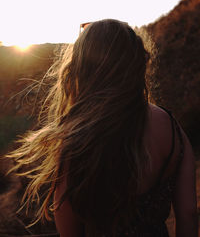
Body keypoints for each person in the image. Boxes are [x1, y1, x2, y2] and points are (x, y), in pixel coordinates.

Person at [9, 19, 198, 237]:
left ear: (82, 69)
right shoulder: (171, 127)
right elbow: (188, 214)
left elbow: (69, 230)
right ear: (136, 62)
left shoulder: (76, 140)